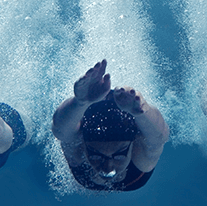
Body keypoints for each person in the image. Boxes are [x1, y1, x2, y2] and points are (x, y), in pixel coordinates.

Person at [51, 59, 170, 191]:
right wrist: (80, 103)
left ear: (134, 143)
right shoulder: (78, 147)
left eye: (119, 156)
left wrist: (143, 110)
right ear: (83, 144)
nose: (108, 168)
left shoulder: (140, 152)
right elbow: (60, 130)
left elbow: (160, 136)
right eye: (95, 156)